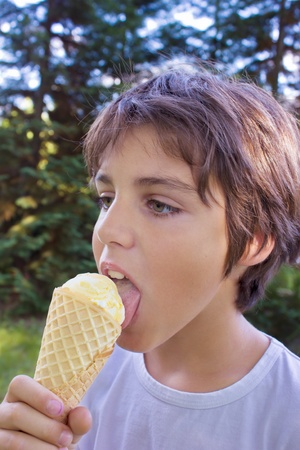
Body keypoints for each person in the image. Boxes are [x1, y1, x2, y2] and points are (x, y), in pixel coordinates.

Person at [0, 65, 300, 450]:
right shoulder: (89, 378)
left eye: (159, 204)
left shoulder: (288, 413)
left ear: (253, 242)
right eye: (106, 200)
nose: (107, 230)